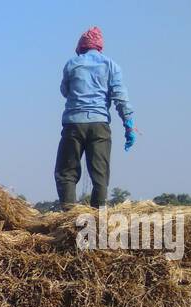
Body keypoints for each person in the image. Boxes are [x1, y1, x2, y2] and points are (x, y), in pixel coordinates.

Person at [54, 26, 135, 207]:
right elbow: (120, 98)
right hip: (99, 125)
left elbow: (64, 90)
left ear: (81, 47)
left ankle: (68, 216)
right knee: (100, 175)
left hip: (73, 124)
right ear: (99, 47)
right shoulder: (111, 66)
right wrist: (128, 125)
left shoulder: (72, 64)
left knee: (66, 172)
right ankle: (97, 217)